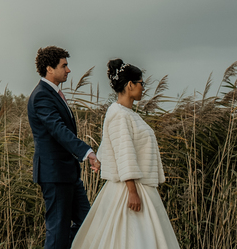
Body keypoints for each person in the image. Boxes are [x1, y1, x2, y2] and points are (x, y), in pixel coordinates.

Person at [70, 59, 181, 249]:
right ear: (130, 85)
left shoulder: (125, 113)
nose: (143, 88)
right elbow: (125, 153)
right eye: (141, 83)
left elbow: (110, 142)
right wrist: (132, 192)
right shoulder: (120, 115)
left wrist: (100, 160)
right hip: (129, 189)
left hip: (139, 185)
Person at [28, 46, 101, 249]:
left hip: (68, 174)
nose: (68, 70)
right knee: (58, 231)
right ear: (49, 69)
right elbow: (58, 130)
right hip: (55, 174)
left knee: (88, 224)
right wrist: (86, 152)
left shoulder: (54, 94)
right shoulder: (41, 96)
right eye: (64, 66)